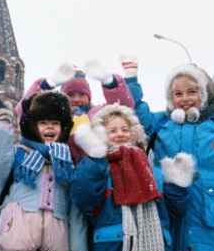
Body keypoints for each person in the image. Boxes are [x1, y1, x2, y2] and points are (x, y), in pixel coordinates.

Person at [71, 103, 193, 251]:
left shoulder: (153, 171)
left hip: (155, 243)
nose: (120, 134)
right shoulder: (100, 169)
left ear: (134, 132)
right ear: (101, 135)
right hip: (114, 245)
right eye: (112, 131)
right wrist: (95, 158)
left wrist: (176, 185)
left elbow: (176, 211)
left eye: (125, 129)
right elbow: (85, 199)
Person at [122, 55, 214, 250]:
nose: (185, 99)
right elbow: (137, 113)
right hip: (169, 211)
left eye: (192, 92)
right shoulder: (162, 123)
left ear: (204, 95)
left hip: (207, 216)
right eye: (178, 94)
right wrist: (131, 81)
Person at [0, 91, 84, 251]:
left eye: (55, 123)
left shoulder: (66, 164)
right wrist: (4, 122)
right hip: (17, 239)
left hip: (56, 242)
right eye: (43, 122)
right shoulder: (17, 155)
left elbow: (75, 215)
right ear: (33, 127)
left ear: (63, 128)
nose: (50, 126)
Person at [15, 61, 134, 165]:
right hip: (60, 170)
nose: (76, 99)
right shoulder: (54, 117)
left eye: (82, 95)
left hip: (94, 170)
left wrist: (110, 83)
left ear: (89, 97)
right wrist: (46, 85)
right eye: (70, 95)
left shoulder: (99, 113)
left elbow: (124, 108)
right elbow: (23, 110)